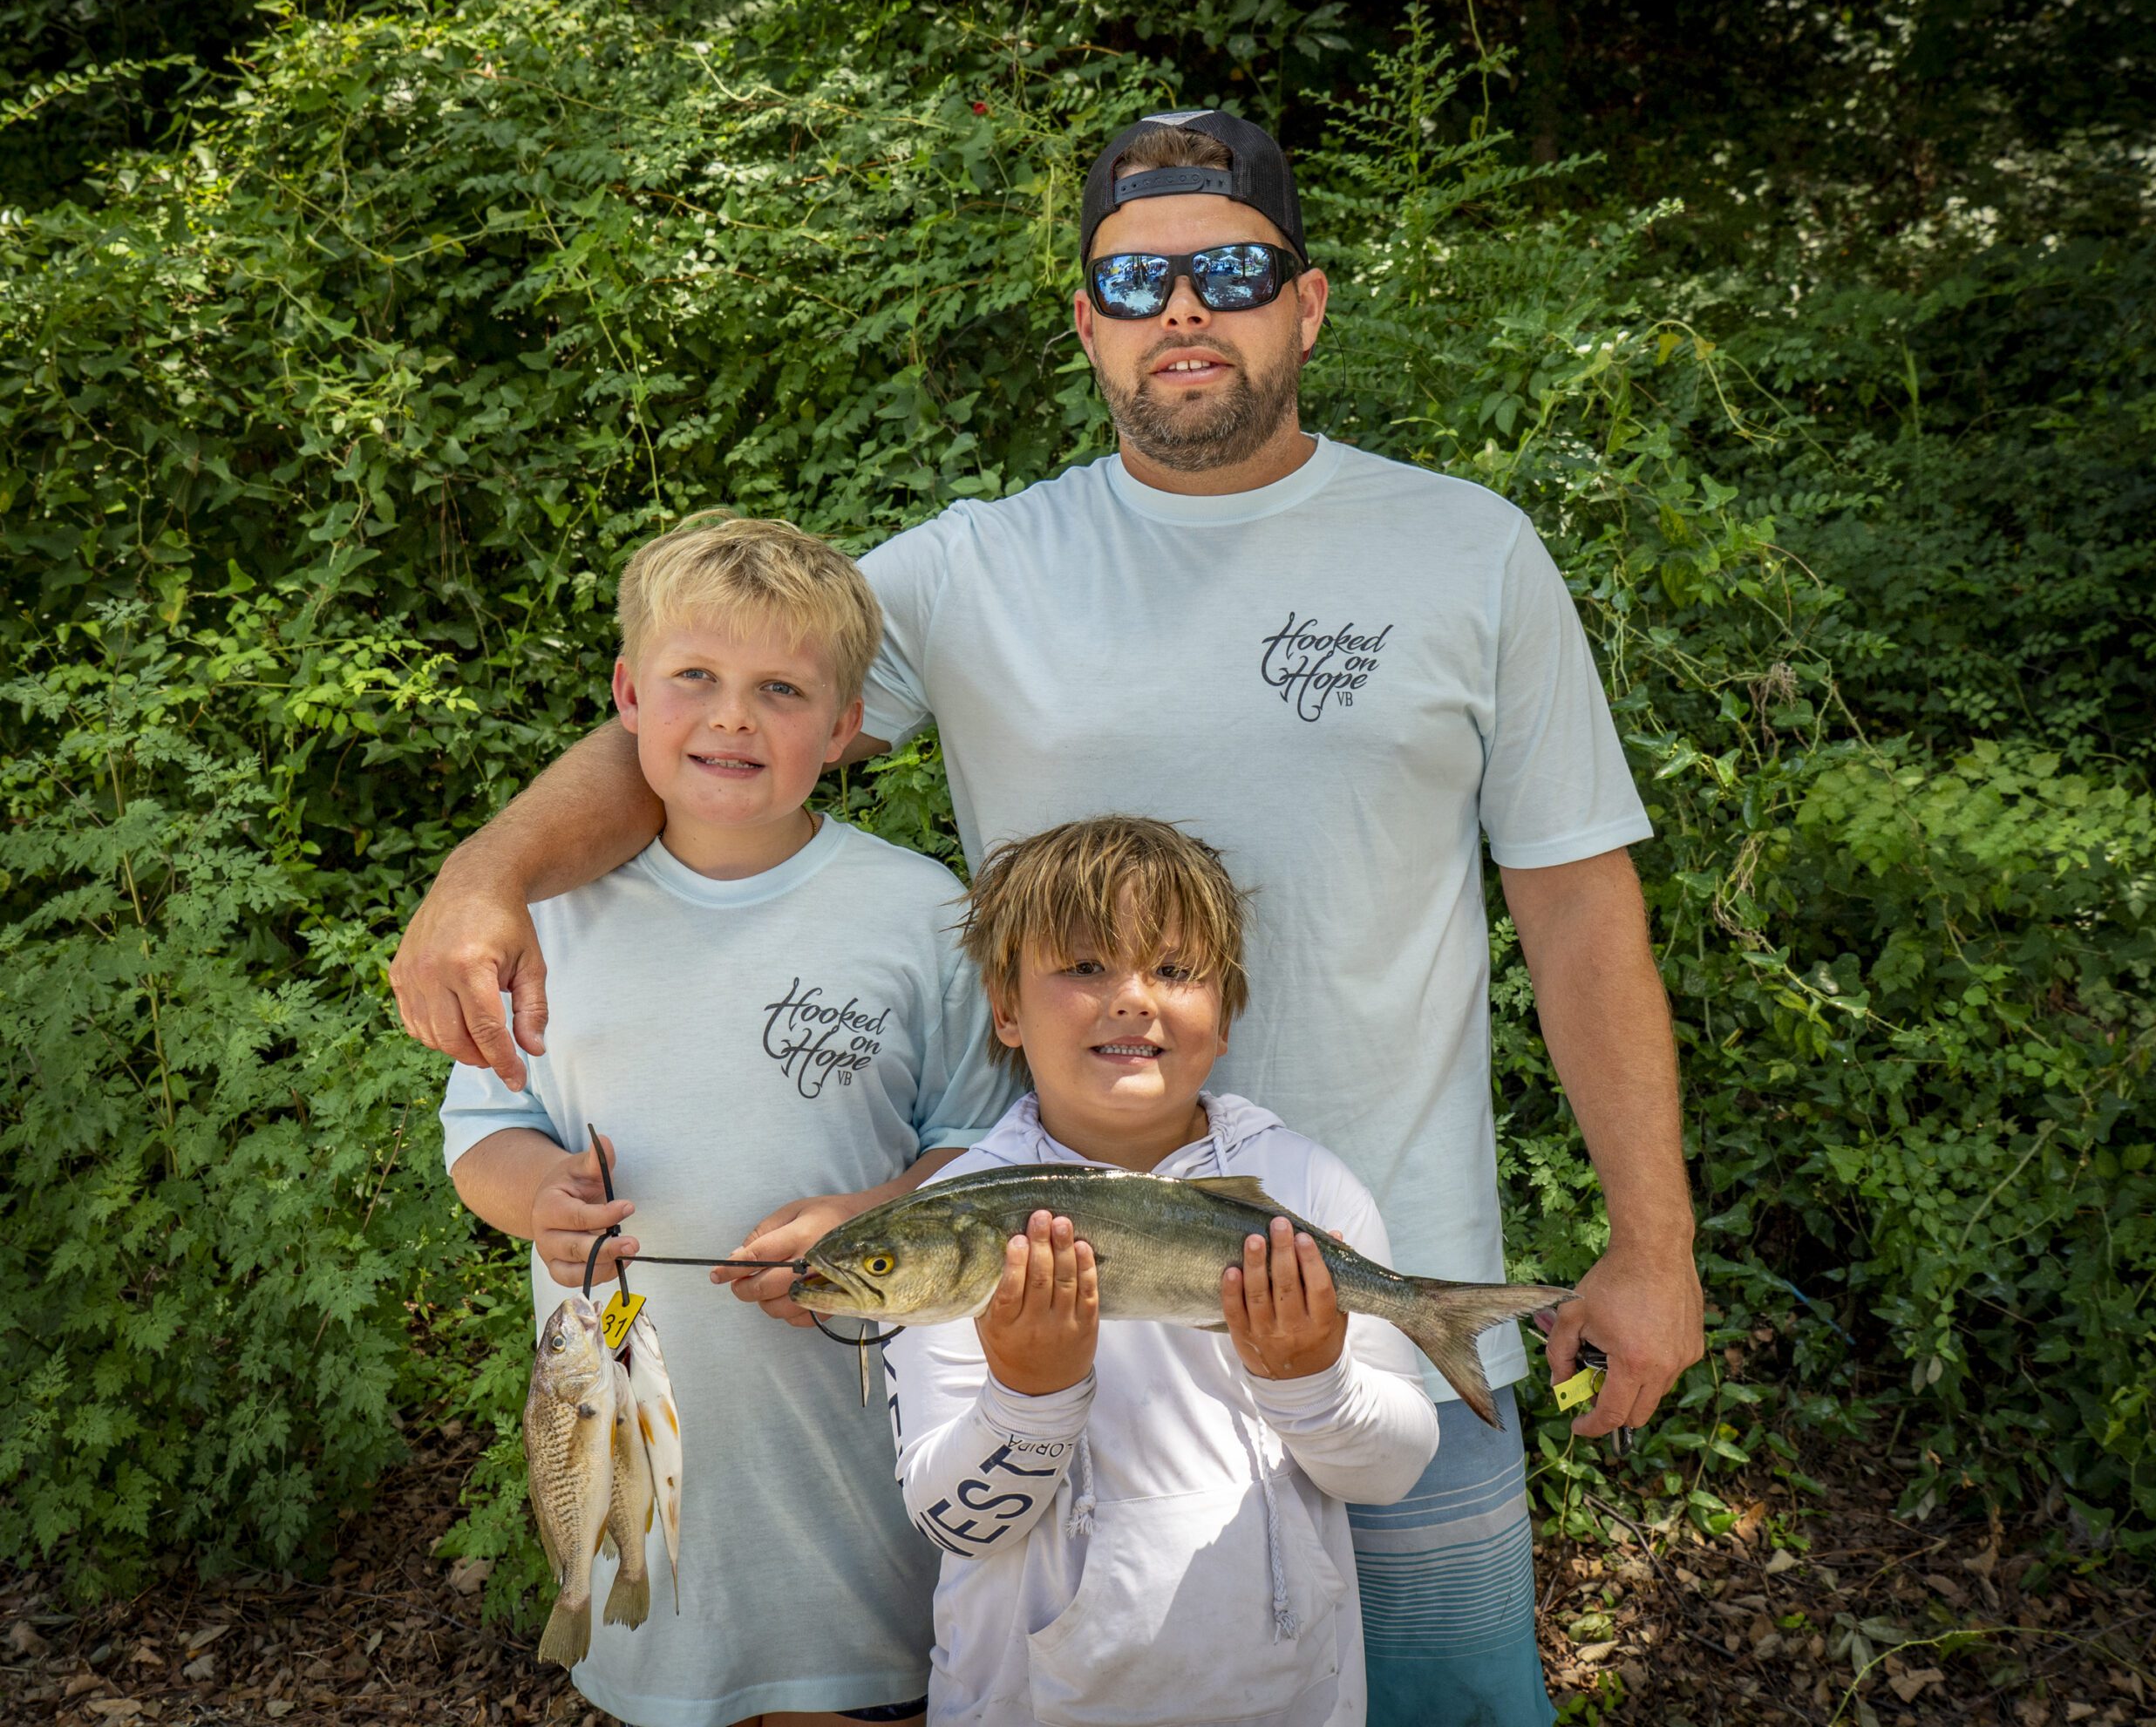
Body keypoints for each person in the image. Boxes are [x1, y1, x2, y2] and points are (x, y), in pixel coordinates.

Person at [395, 110, 1704, 1724]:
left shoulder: (1468, 550)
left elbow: (1583, 918)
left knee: (1453, 1708)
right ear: (1086, 322)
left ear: (1307, 304)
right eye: (1136, 280)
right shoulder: (973, 572)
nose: (1184, 308)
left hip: (1381, 1298)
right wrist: (487, 874)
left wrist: (1653, 1246)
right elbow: (719, 709)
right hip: (1050, 1323)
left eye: (1232, 272)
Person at [439, 513, 1014, 1727]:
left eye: (781, 690)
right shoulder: (553, 914)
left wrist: (871, 1215)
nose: (733, 717)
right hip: (620, 1432)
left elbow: (983, 1153)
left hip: (851, 1456)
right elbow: (483, 1129)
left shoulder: (919, 915)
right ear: (627, 696)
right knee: (668, 1683)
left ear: (846, 725)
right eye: (694, 676)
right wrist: (539, 1196)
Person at [886, 814, 1439, 1727]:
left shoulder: (1305, 1187)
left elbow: (1388, 1473)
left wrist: (1310, 1379)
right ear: (1005, 1007)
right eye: (1085, 965)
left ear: (1225, 1017)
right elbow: (954, 1521)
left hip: (1293, 1701)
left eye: (1175, 970)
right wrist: (1028, 1394)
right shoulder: (951, 1220)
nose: (1134, 999)